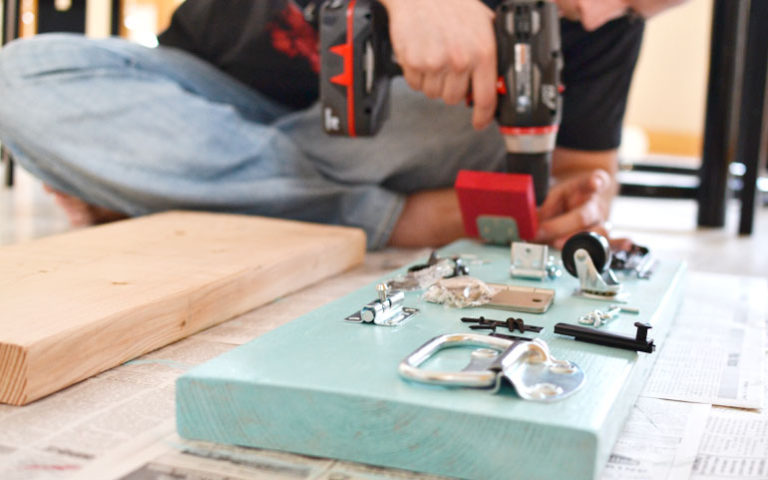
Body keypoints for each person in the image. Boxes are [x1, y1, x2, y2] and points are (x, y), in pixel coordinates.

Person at [0, 0, 686, 250]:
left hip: (362, 150)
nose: (599, 16)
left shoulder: (596, 28)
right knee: (21, 78)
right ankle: (397, 219)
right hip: (210, 97)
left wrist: (584, 198)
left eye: (635, 10)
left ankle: (165, 194)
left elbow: (575, 169)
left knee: (493, 102)